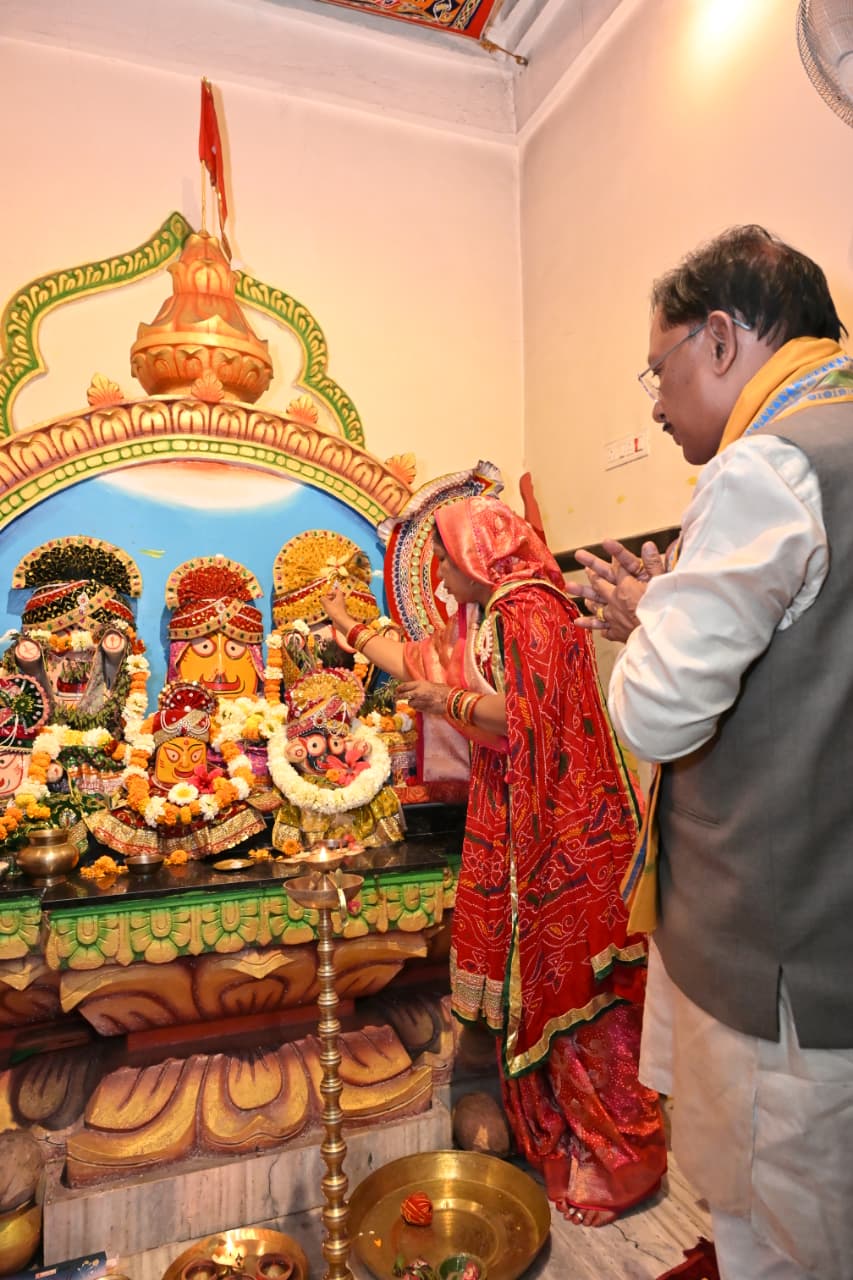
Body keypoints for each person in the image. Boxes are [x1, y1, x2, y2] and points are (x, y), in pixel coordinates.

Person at [569, 225, 853, 1279]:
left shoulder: (769, 463)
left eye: (660, 365)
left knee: (779, 1239)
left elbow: (656, 714)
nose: (653, 399)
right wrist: (667, 604)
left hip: (777, 958)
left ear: (722, 337)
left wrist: (650, 628)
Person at [323, 495, 666, 1227]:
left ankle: (617, 1157)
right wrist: (352, 629)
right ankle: (560, 1136)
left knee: (569, 978)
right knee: (531, 973)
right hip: (518, 811)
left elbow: (520, 717)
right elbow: (419, 662)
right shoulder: (489, 618)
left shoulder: (527, 612)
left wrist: (442, 700)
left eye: (447, 556)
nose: (441, 573)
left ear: (479, 553)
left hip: (561, 824)